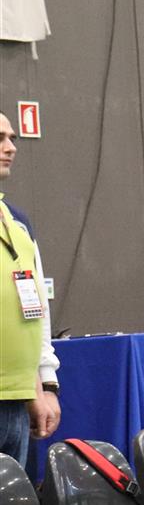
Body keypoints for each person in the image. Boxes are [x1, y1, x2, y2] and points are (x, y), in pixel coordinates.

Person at [0, 113, 60, 468]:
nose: (11, 148)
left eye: (12, 138)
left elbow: (36, 311)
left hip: (17, 401)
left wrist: (45, 384)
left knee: (13, 504)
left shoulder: (18, 223)